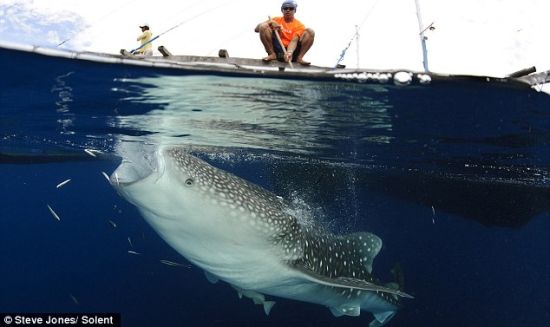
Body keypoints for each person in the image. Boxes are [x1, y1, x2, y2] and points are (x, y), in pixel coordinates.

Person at [255, 0, 314, 65]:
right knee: (263, 26)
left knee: (310, 31)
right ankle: (272, 54)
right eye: (285, 8)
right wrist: (270, 22)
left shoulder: (299, 25)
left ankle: (299, 58)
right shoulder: (275, 19)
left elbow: (294, 41)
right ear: (282, 10)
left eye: (291, 8)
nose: (288, 10)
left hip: (292, 54)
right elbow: (256, 29)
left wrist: (289, 53)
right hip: (279, 54)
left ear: (295, 11)